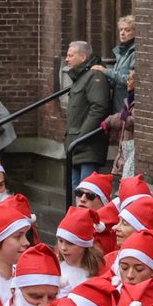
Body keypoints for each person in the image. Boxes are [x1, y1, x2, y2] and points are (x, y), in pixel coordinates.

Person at [63, 41, 111, 197]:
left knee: (87, 192)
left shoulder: (94, 76)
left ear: (83, 57)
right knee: (75, 191)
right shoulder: (81, 77)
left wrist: (83, 136)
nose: (66, 59)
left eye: (71, 55)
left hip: (87, 144)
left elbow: (99, 107)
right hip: (76, 144)